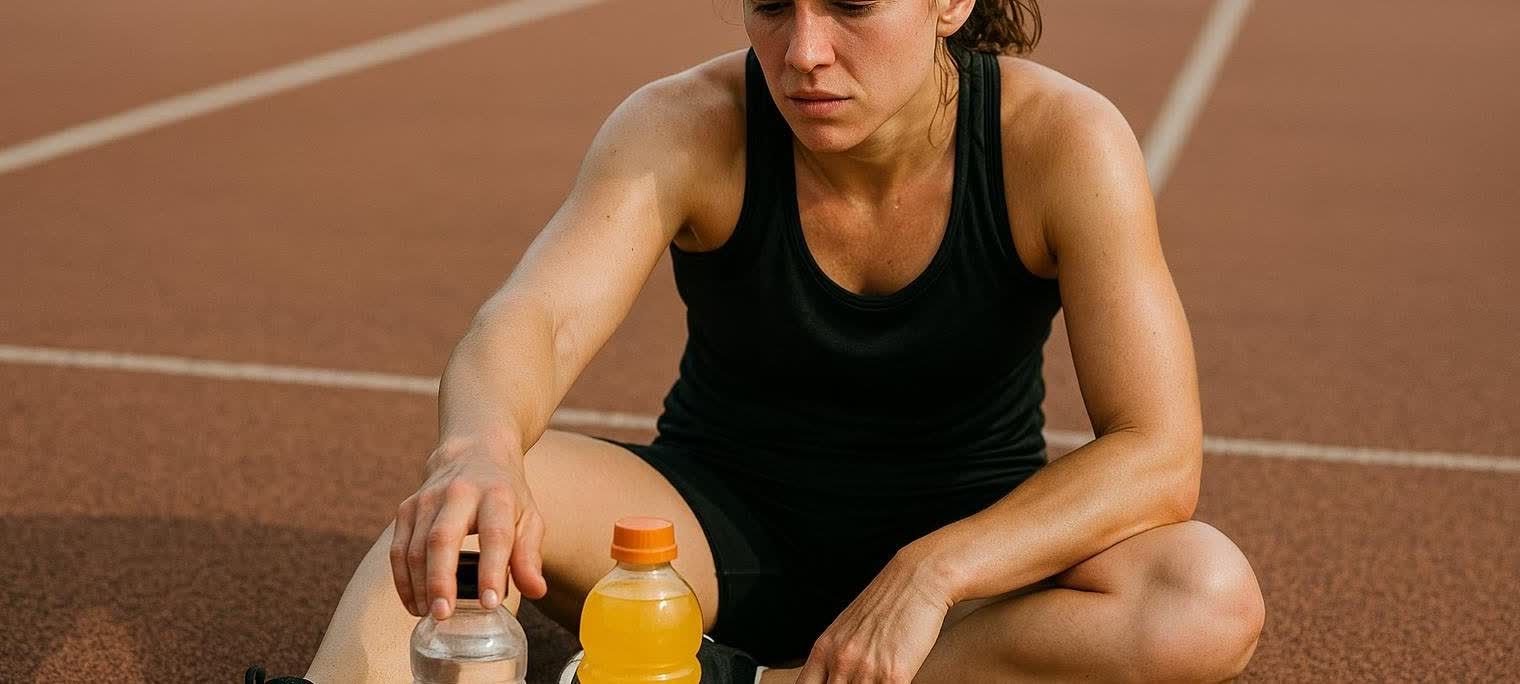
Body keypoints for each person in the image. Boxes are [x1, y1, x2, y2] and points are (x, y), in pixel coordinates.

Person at [302, 0, 1265, 681]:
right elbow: (532, 320)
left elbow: (1157, 453)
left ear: (951, 2)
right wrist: (476, 449)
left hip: (969, 583)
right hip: (707, 546)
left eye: (850, 4)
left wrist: (933, 571)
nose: (804, 50)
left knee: (1203, 595)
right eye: (772, 5)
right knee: (473, 508)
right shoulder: (685, 126)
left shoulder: (1060, 141)